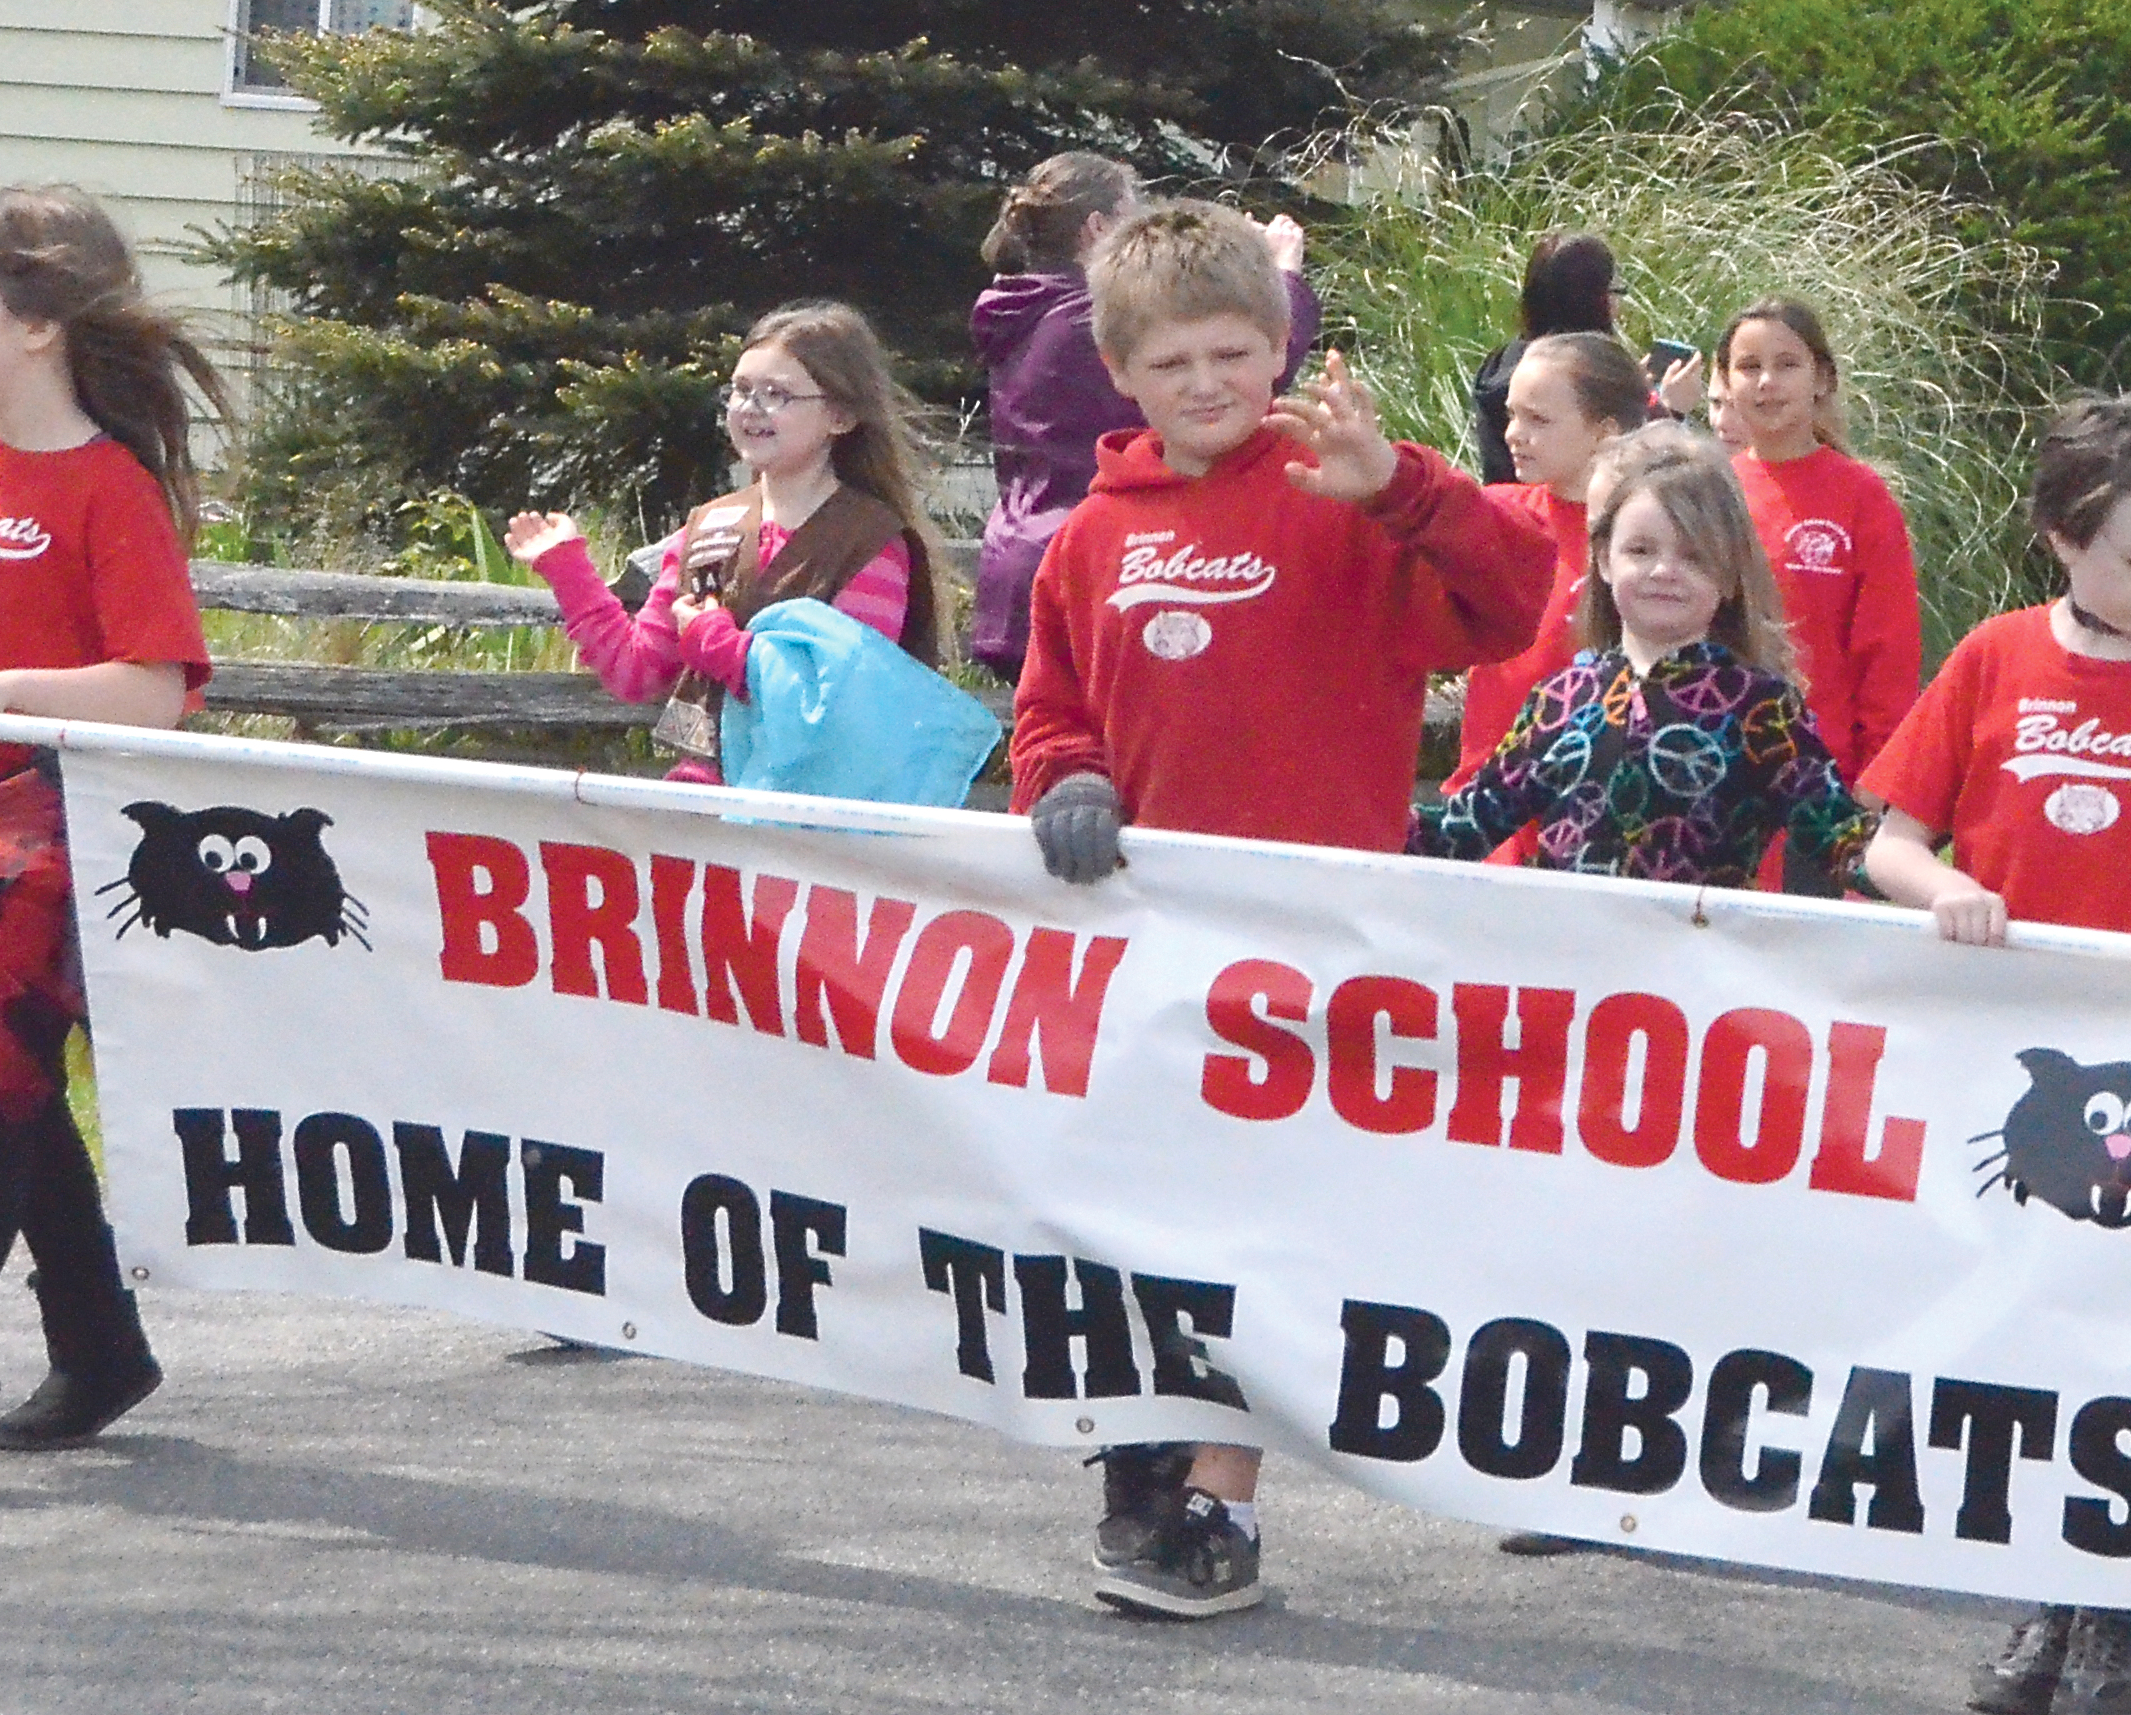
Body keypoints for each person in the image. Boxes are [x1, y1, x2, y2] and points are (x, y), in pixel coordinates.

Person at [1011, 202, 1546, 1619]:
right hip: (1144, 953)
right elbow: (1051, 709)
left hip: (1312, 957)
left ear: (1282, 345)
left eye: (1236, 353)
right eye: (1175, 360)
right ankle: (1152, 1432)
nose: (1208, 385)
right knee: (1143, 1222)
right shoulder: (1088, 541)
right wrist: (1064, 783)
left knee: (1263, 1234)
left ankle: (1218, 1508)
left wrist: (1402, 488)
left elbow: (1515, 605)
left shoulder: (1342, 498)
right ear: (1123, 374)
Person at [1861, 393, 2131, 1715]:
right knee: (2025, 1331)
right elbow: (1889, 838)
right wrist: (1942, 889)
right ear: (2063, 539)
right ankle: (2046, 1594)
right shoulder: (1994, 659)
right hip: (2011, 1071)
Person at [0, 187, 222, 1491]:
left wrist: (3, 695)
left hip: (43, 839)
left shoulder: (110, 490)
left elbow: (160, 689)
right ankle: (100, 1345)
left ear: (37, 324)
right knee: (10, 1095)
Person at [1422, 425, 1876, 888]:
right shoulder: (1562, 698)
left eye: (1694, 556)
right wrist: (1355, 814)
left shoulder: (1760, 707)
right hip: (1567, 953)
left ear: (1731, 573)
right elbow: (1465, 827)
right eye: (1640, 550)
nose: (1664, 571)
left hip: (1695, 952)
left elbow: (1840, 838)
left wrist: (1929, 881)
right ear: (1603, 558)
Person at [507, 303, 944, 783]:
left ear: (839, 415)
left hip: (812, 823)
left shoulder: (870, 543)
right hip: (703, 815)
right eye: (740, 390)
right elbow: (637, 672)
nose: (750, 408)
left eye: (776, 394)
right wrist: (567, 570)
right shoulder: (710, 526)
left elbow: (844, 706)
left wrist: (721, 647)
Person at [966, 157, 1315, 678]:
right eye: (1134, 216)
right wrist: (1277, 274)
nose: (1201, 379)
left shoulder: (1023, 311)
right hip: (1097, 575)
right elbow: (1245, 379)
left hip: (1019, 568)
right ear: (1098, 229)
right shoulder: (1090, 321)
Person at [1718, 300, 1925, 815]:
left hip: (1820, 776)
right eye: (1749, 367)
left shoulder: (1861, 497)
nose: (1767, 382)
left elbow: (1888, 652)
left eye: (1786, 365)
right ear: (1725, 382)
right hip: (1713, 764)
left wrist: (1878, 775)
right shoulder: (1708, 489)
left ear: (1822, 379)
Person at [1445, 331, 1657, 815]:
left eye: (1537, 419)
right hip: (1488, 794)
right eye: (1511, 415)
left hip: (1595, 805)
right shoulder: (1497, 514)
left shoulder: (1651, 540)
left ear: (1605, 432)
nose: (1513, 434)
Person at [1463, 230, 1617, 482]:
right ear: (1593, 301)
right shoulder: (1583, 374)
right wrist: (1667, 410)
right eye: (1613, 291)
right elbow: (1628, 468)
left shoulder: (1498, 362)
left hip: (1504, 509)